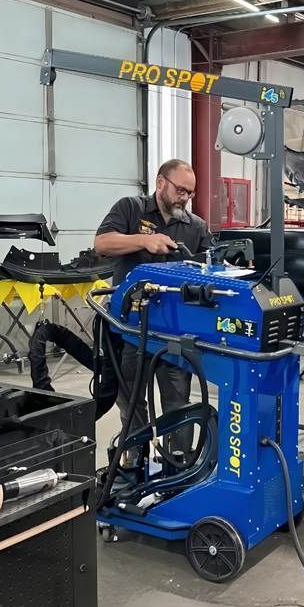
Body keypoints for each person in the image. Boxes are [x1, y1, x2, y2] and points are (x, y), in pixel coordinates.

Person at [95, 160, 213, 453]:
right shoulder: (130, 208)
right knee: (130, 400)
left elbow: (211, 269)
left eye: (190, 193)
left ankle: (179, 465)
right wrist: (144, 241)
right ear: (161, 183)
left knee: (178, 404)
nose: (185, 198)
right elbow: (102, 243)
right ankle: (136, 461)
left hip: (174, 333)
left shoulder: (196, 227)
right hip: (130, 328)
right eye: (180, 190)